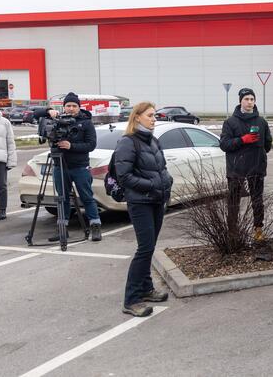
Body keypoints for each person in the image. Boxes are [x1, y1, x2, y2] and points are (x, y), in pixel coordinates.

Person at [114, 101, 173, 317]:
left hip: (157, 200)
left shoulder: (153, 140)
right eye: (150, 115)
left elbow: (162, 167)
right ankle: (131, 300)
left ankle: (146, 288)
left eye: (155, 115)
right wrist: (152, 185)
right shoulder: (128, 142)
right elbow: (124, 176)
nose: (154, 118)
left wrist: (167, 182)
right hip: (140, 202)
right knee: (144, 249)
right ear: (137, 117)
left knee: (149, 247)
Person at [34, 92, 102, 241]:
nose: (71, 108)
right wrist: (48, 111)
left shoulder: (86, 122)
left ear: (79, 107)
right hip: (60, 166)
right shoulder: (57, 119)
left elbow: (91, 145)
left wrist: (71, 146)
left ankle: (95, 227)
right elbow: (35, 114)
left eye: (74, 106)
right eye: (68, 105)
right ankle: (62, 229)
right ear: (64, 107)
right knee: (62, 198)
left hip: (79, 167)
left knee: (87, 197)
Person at [219, 88, 273, 241]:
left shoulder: (261, 122)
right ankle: (233, 231)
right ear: (240, 101)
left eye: (252, 99)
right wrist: (243, 140)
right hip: (237, 168)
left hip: (256, 166)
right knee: (234, 200)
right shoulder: (230, 122)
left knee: (257, 200)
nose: (250, 102)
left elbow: (268, 143)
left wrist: (259, 153)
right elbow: (224, 144)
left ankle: (258, 229)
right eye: (246, 99)